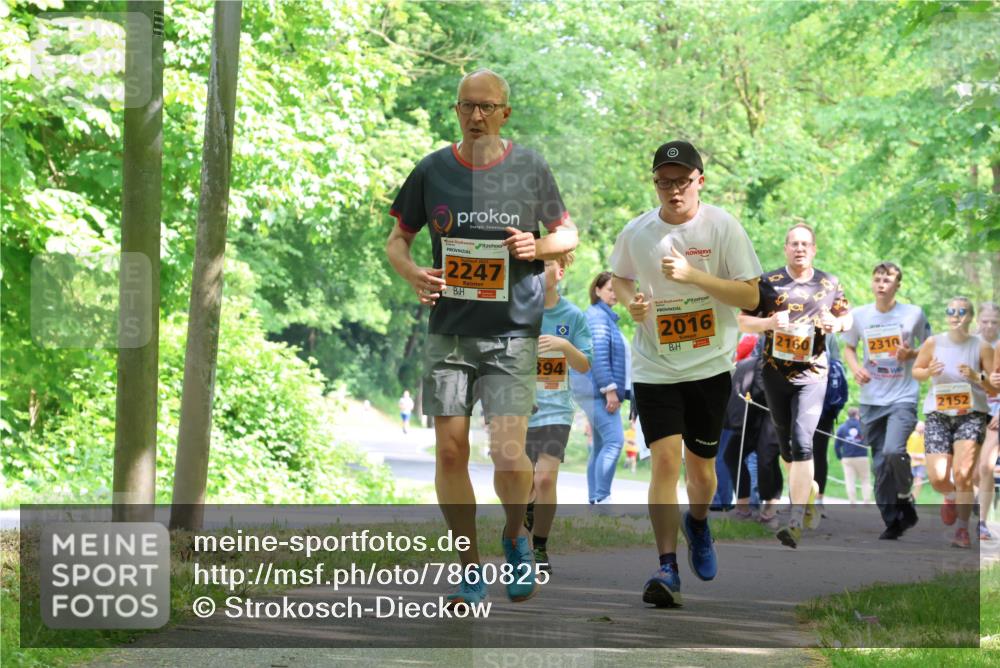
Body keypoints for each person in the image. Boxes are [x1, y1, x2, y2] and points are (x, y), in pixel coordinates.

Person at [384, 68, 578, 606]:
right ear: (456, 111)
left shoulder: (530, 167)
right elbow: (397, 240)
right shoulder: (433, 170)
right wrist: (413, 274)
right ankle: (469, 565)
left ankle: (516, 537)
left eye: (486, 107)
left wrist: (535, 250)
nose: (475, 116)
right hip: (449, 331)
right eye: (466, 106)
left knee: (508, 453)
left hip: (512, 331)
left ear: (504, 113)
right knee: (449, 453)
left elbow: (568, 234)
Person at [611, 140, 762, 607]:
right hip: (655, 364)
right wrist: (631, 302)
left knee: (701, 472)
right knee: (664, 461)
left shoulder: (722, 227)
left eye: (682, 181)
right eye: (664, 182)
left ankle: (697, 521)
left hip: (710, 364)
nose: (673, 190)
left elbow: (752, 298)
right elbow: (619, 275)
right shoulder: (637, 232)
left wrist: (693, 276)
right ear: (654, 183)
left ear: (700, 180)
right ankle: (666, 567)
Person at [739, 223, 852, 549]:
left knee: (803, 443)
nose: (800, 248)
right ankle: (810, 492)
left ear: (814, 249)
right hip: (775, 374)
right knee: (787, 449)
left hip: (813, 373)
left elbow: (848, 318)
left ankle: (795, 518)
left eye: (805, 244)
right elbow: (743, 320)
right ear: (785, 248)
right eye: (794, 243)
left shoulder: (828, 282)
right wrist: (769, 323)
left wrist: (837, 323)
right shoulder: (768, 282)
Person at [842, 261, 930, 539]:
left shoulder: (913, 314)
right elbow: (849, 348)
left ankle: (904, 496)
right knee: (880, 462)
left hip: (902, 396)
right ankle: (893, 520)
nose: (881, 283)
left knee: (893, 451)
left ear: (897, 285)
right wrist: (856, 368)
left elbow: (929, 347)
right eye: (877, 278)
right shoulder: (860, 316)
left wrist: (911, 354)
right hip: (871, 399)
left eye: (887, 279)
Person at [523, 253, 592, 572]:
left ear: (560, 272)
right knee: (524, 484)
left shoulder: (573, 315)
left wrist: (564, 346)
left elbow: (584, 363)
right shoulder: (518, 311)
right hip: (520, 410)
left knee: (545, 478)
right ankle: (526, 518)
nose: (538, 271)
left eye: (546, 265)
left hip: (556, 411)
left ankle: (539, 547)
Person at [912, 297, 997, 548]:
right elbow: (916, 370)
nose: (956, 315)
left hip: (971, 415)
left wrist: (976, 376)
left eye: (962, 312)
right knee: (938, 477)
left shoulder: (981, 347)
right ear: (946, 315)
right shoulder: (933, 342)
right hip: (938, 414)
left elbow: (993, 387)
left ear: (970, 317)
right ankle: (950, 496)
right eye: (951, 311)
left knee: (963, 473)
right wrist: (929, 372)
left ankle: (962, 530)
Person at [570, 271, 628, 504]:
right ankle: (602, 498)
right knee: (615, 441)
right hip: (597, 390)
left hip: (591, 389)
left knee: (601, 445)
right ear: (597, 290)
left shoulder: (603, 316)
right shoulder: (597, 317)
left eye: (617, 290)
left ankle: (595, 498)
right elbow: (599, 356)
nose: (615, 294)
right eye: (610, 289)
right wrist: (610, 389)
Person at [974, 303, 1000, 540]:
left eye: (995, 322)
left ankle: (981, 523)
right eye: (986, 321)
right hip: (972, 411)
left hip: (996, 413)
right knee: (969, 472)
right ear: (977, 322)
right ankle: (975, 498)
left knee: (986, 466)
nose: (990, 326)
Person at [835, 407, 872, 505]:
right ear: (857, 415)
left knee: (850, 480)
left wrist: (840, 457)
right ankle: (867, 501)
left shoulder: (842, 428)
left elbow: (837, 445)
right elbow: (869, 440)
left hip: (847, 458)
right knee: (865, 479)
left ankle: (852, 501)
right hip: (862, 456)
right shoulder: (863, 426)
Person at [907, 421, 927, 500]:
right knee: (908, 481)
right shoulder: (912, 436)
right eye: (920, 426)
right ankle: (906, 498)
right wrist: (915, 456)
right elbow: (907, 451)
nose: (922, 428)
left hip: (921, 463)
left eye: (923, 427)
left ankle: (914, 498)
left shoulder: (925, 437)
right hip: (911, 462)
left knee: (919, 481)